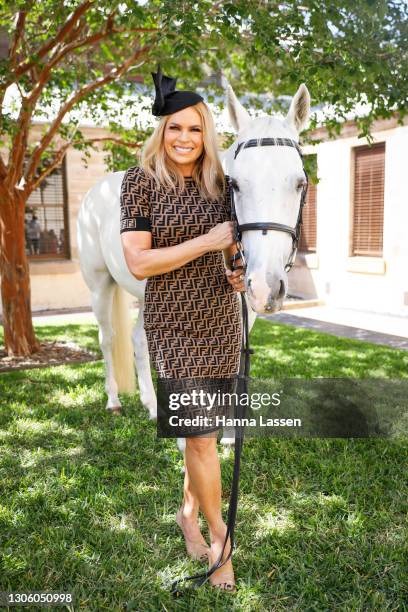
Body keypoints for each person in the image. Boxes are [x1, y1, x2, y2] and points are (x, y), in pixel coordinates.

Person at [120, 66, 245, 592]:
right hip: (172, 325)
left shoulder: (222, 185)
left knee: (204, 437)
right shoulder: (140, 182)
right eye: (175, 128)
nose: (185, 139)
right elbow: (139, 264)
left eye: (195, 129)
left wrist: (237, 269)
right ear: (161, 132)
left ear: (206, 134)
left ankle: (187, 514)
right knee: (201, 436)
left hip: (220, 320)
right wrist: (207, 242)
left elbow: (234, 250)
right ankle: (221, 538)